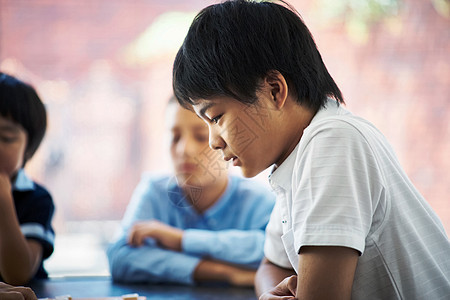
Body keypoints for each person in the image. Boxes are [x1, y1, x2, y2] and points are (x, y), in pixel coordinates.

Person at [172, 0, 450, 299]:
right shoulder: (295, 157)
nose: (214, 141)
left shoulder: (333, 143)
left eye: (216, 117)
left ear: (274, 90)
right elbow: (272, 265)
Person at [107, 97, 275, 286]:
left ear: (225, 141)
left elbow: (273, 250)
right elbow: (120, 257)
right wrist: (221, 272)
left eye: (201, 136)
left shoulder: (258, 199)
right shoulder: (154, 192)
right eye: (175, 137)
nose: (184, 149)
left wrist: (179, 240)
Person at [0, 72, 55, 285]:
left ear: (28, 150)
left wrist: (4, 200)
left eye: (6, 138)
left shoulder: (36, 199)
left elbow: (18, 275)